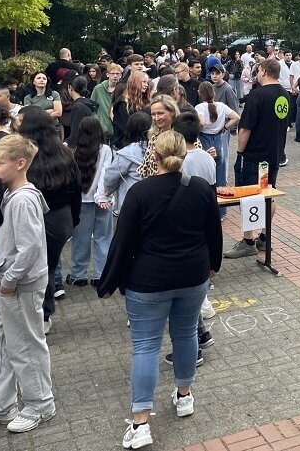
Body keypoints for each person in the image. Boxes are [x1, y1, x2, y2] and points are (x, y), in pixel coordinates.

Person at [97, 130, 222, 450]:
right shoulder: (201, 189)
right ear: (185, 155)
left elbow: (123, 241)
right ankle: (184, 396)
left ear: (153, 156)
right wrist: (213, 265)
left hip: (148, 281)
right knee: (185, 335)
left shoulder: (139, 192)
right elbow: (214, 231)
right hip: (193, 276)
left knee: (146, 347)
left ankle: (140, 423)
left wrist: (109, 281)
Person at [0, 135, 56, 433]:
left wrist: (9, 279)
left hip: (19, 285)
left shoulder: (21, 199)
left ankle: (40, 404)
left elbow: (30, 248)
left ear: (20, 164)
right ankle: (3, 401)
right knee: (1, 343)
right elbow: (15, 237)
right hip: (8, 283)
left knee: (25, 347)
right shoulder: (11, 194)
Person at [18, 107, 81, 333]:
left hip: (30, 215)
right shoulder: (64, 153)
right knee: (48, 264)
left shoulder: (21, 154)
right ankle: (44, 311)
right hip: (60, 216)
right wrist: (74, 219)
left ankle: (39, 312)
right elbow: (76, 187)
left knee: (32, 266)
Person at [225, 58, 290, 258]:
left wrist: (240, 152)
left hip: (253, 156)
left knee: (248, 197)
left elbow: (245, 128)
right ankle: (264, 237)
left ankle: (247, 241)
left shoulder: (257, 95)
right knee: (268, 194)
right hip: (274, 154)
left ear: (262, 71)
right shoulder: (284, 94)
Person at [69, 118, 114, 287]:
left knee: (80, 238)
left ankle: (77, 275)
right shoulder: (106, 150)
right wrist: (101, 195)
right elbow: (106, 173)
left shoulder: (71, 149)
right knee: (103, 237)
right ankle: (100, 275)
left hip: (80, 201)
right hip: (103, 200)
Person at [196, 80, 240, 198]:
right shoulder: (221, 106)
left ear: (200, 93)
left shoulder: (200, 107)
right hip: (218, 139)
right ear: (213, 93)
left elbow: (202, 121)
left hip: (204, 138)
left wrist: (201, 127)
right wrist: (224, 127)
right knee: (220, 173)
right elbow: (236, 117)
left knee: (206, 173)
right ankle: (222, 209)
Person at [103, 111, 151, 218]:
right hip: (152, 200)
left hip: (130, 202)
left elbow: (111, 175)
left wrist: (108, 191)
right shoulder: (156, 148)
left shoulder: (127, 153)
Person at [23, 72, 62, 136]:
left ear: (47, 82)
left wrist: (38, 114)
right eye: (39, 78)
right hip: (36, 129)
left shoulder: (54, 94)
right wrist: (50, 111)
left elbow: (58, 112)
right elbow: (29, 116)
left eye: (44, 78)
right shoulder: (28, 98)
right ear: (33, 82)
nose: (42, 80)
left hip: (53, 128)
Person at [92, 63, 123, 142]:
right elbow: (92, 107)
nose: (115, 76)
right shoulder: (98, 89)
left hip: (118, 131)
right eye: (112, 73)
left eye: (117, 74)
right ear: (107, 74)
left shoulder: (123, 90)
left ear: (121, 75)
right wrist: (98, 121)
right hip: (101, 130)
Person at [65, 75, 98, 147]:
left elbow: (75, 131)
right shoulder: (88, 104)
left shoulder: (78, 107)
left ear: (70, 88)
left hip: (82, 148)